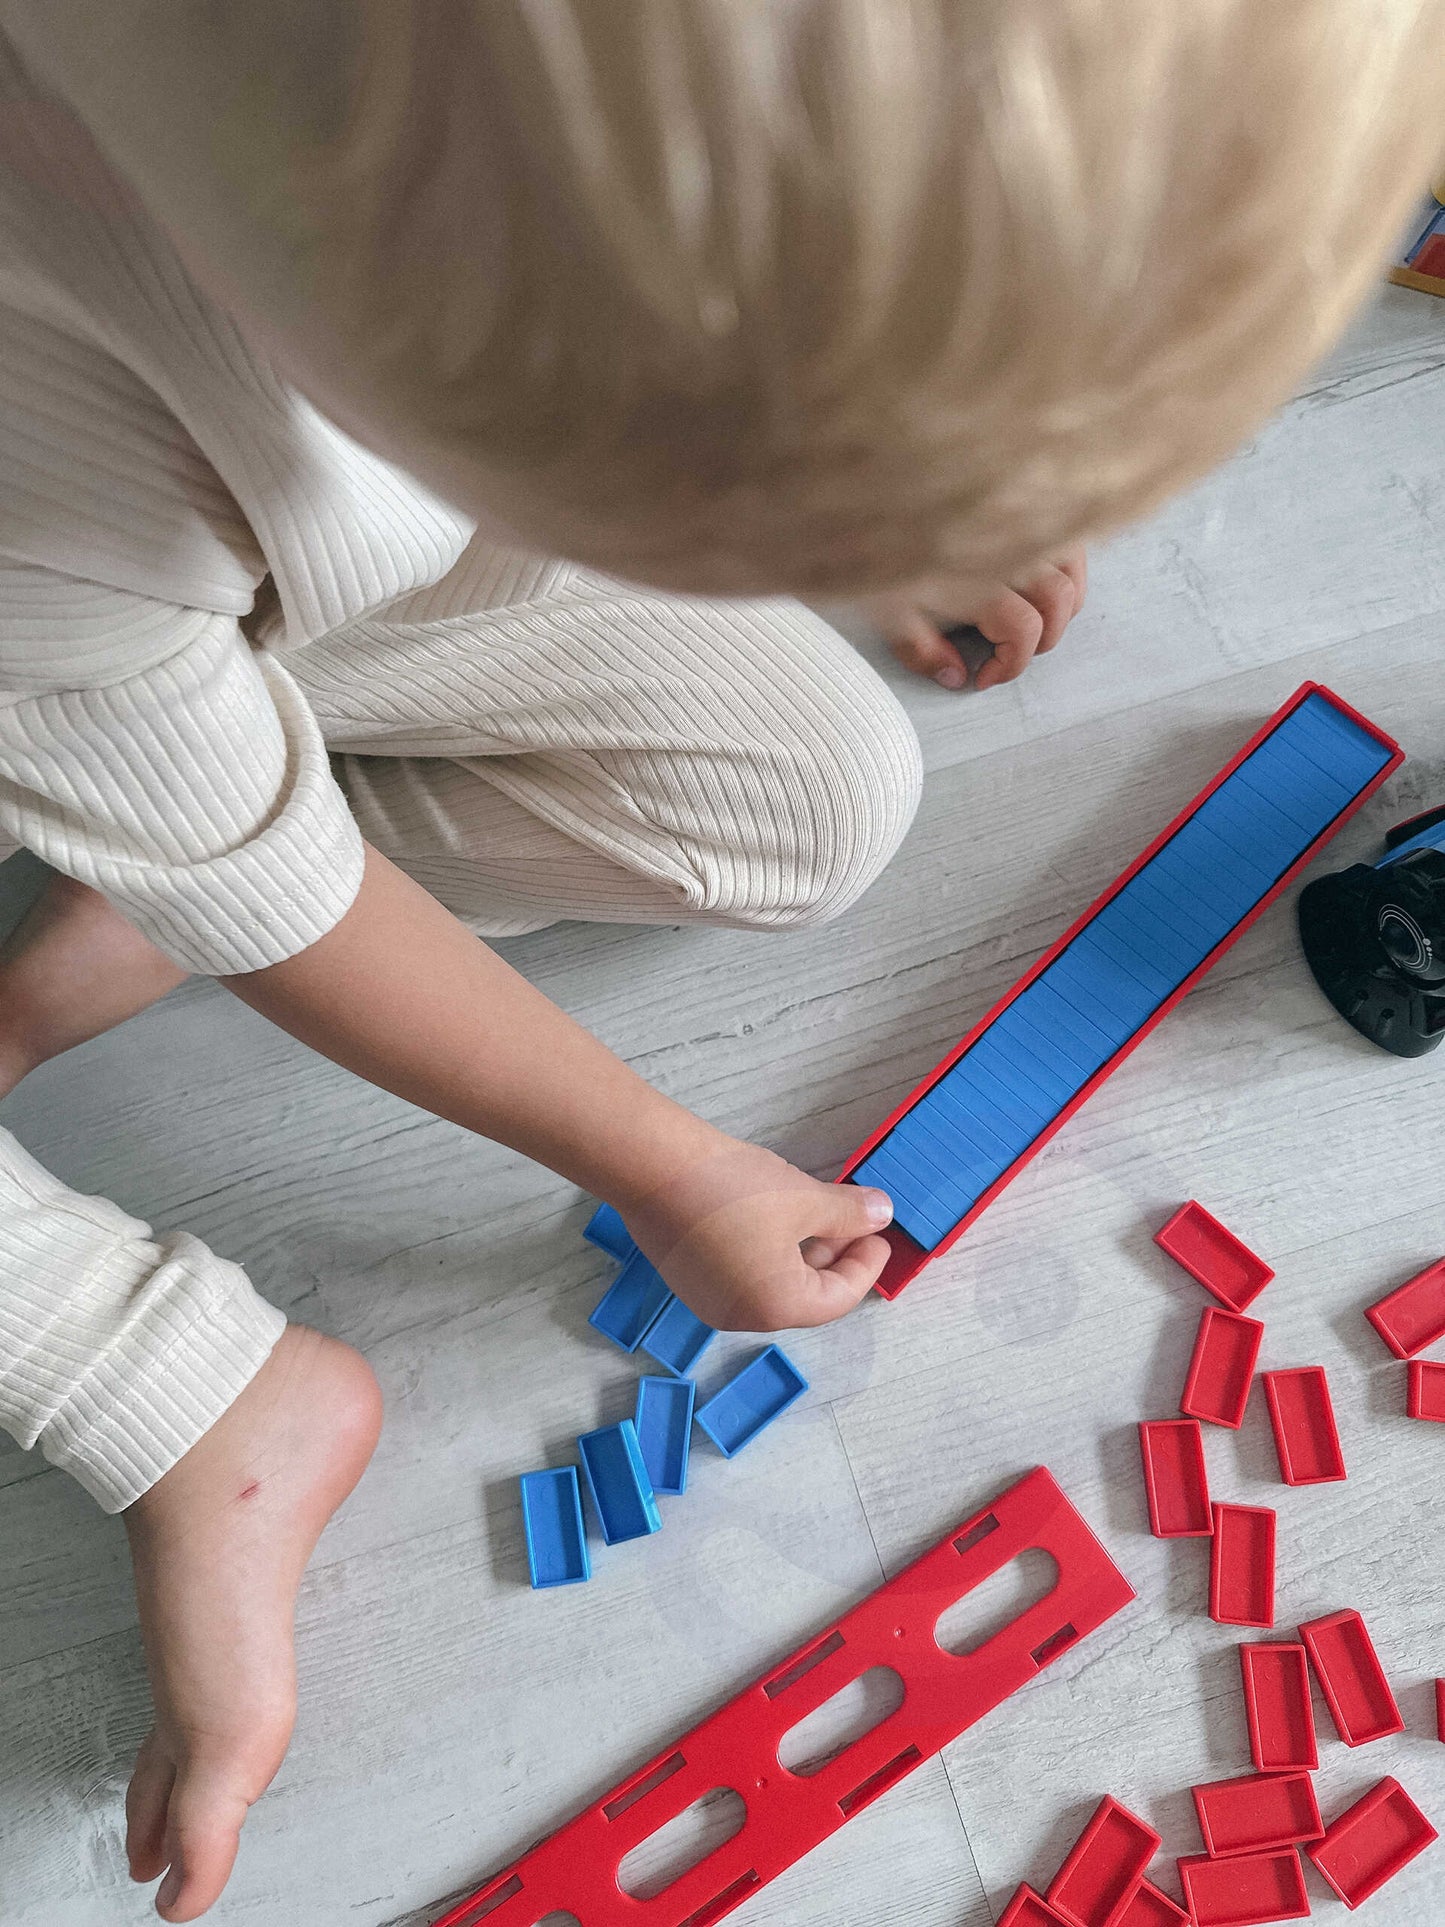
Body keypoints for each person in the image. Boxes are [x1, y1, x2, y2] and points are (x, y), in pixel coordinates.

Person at [0, 3, 1440, 1918]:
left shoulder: (523, 194)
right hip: (95, 566)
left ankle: (186, 842)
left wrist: (844, 482)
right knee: (217, 814)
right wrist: (664, 1168)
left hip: (280, 525)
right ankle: (162, 1369)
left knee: (813, 796)